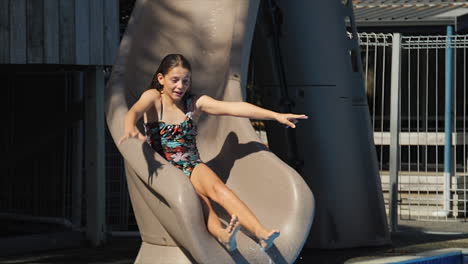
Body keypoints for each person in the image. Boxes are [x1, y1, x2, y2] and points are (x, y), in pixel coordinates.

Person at [118, 54, 307, 252]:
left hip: (190, 163)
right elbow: (135, 110)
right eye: (175, 80)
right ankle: (222, 235)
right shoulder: (154, 98)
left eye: (185, 81)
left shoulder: (195, 103)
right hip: (165, 169)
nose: (180, 86)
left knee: (218, 188)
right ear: (161, 79)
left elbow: (236, 109)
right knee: (198, 199)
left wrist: (275, 115)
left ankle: (260, 233)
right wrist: (129, 125)